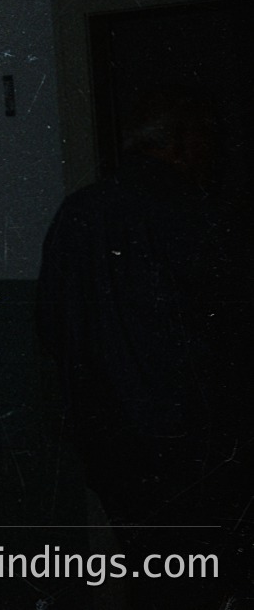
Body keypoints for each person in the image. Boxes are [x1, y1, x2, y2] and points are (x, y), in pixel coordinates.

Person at [36, 85, 251, 608]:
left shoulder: (79, 212)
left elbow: (51, 327)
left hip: (112, 443)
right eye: (205, 138)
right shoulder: (197, 211)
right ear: (181, 143)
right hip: (195, 443)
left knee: (152, 571)